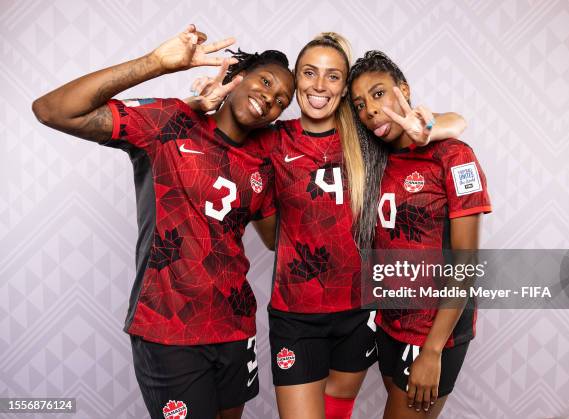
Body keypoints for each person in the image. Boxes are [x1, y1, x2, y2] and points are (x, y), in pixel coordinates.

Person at [189, 33, 468, 419]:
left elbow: (455, 123)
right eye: (309, 73)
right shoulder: (273, 139)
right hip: (296, 314)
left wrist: (432, 124)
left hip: (357, 311)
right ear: (297, 79)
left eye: (333, 76)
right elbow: (220, 140)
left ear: (343, 86)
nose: (319, 85)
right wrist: (197, 105)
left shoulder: (366, 137)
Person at [32, 24, 295, 419]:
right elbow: (52, 110)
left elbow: (277, 238)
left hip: (235, 326)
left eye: (280, 100)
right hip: (169, 328)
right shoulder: (170, 122)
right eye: (265, 82)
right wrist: (155, 64)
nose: (269, 98)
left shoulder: (261, 161)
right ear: (237, 76)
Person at [348, 50, 492, 418]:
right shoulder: (375, 160)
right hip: (390, 323)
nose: (371, 111)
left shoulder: (453, 155)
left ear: (404, 90)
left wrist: (432, 350)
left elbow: (466, 261)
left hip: (433, 332)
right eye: (361, 104)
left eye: (379, 94)